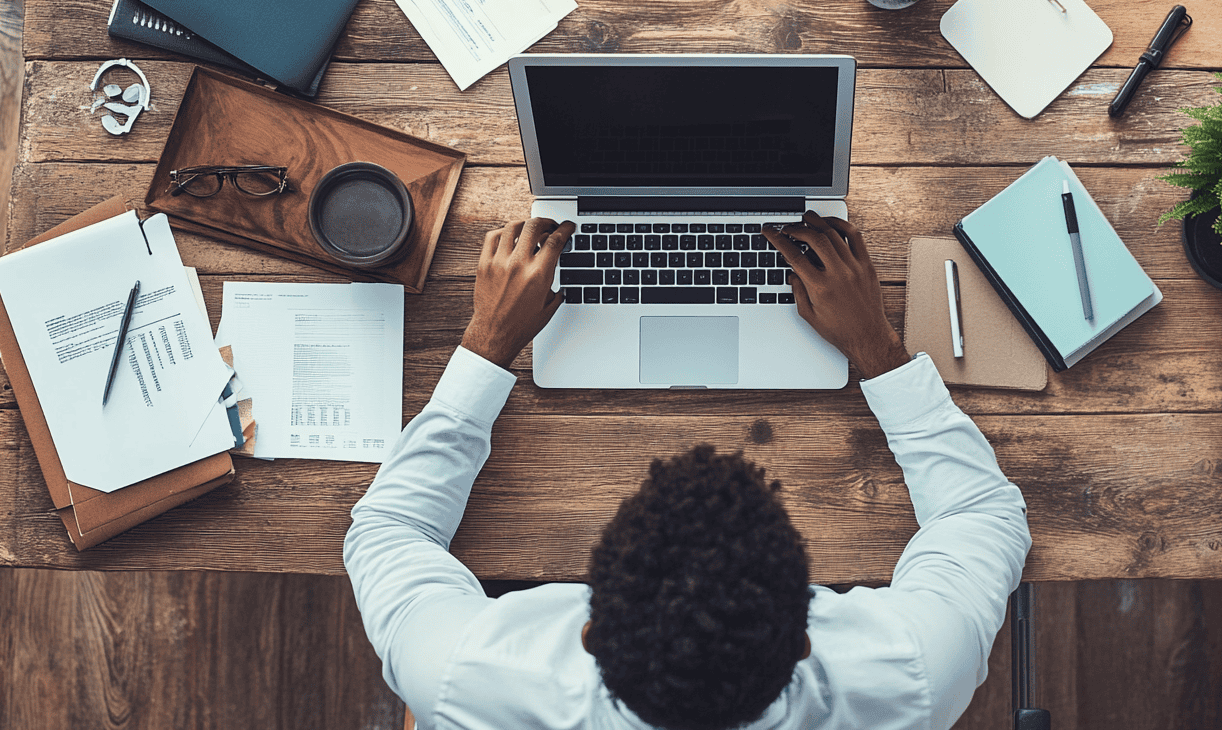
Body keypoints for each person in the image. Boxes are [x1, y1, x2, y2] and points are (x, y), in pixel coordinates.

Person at [344, 212, 1031, 730]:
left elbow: (386, 530)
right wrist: (876, 347)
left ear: (589, 631)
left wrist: (488, 341)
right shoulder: (914, 674)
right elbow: (982, 514)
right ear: (801, 640)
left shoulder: (465, 678)